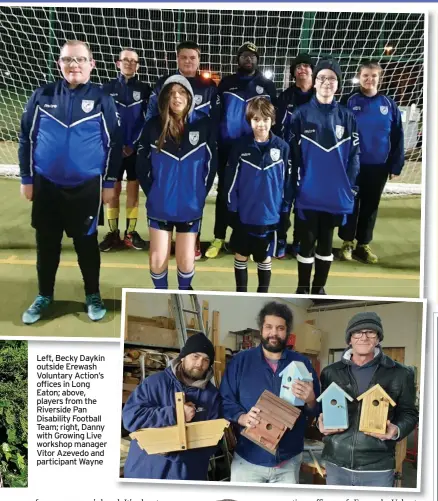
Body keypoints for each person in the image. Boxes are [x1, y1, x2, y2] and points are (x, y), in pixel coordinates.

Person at [18, 40, 122, 324]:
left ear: (92, 64)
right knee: (47, 244)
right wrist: (27, 178)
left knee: (86, 246)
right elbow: (26, 137)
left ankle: (92, 295)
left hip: (87, 187)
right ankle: (44, 296)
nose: (73, 65)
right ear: (59, 64)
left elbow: (114, 144)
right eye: (67, 60)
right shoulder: (42, 95)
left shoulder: (102, 99)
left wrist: (110, 183)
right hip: (46, 185)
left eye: (79, 59)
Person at [220, 301, 320, 483]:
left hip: (288, 463)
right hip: (248, 461)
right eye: (269, 327)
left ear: (287, 331)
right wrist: (242, 417)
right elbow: (225, 401)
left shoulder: (302, 364)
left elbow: (316, 409)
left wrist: (311, 399)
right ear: (261, 329)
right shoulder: (240, 362)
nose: (274, 333)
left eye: (280, 328)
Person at [318, 312, 418, 487]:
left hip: (377, 467)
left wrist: (396, 430)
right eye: (357, 332)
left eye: (370, 332)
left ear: (378, 338)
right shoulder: (330, 372)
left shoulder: (400, 373)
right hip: (336, 463)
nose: (363, 337)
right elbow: (323, 409)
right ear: (349, 339)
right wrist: (318, 422)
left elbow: (410, 413)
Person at [136, 75, 217, 290]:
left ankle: (183, 294)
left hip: (189, 206)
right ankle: (160, 295)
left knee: (186, 260)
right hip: (160, 205)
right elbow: (141, 165)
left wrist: (200, 194)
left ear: (189, 97)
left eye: (181, 93)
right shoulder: (153, 126)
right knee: (157, 259)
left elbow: (212, 164)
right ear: (164, 98)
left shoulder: (204, 124)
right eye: (171, 94)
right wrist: (153, 192)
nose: (176, 97)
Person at [289, 58, 360, 295]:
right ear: (315, 83)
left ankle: (318, 290)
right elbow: (292, 156)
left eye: (332, 78)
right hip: (308, 194)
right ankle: (302, 289)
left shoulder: (347, 117)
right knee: (306, 242)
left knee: (327, 243)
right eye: (322, 78)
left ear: (338, 85)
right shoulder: (300, 114)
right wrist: (294, 186)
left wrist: (349, 187)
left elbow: (354, 156)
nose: (327, 82)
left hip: (334, 196)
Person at [146, 40, 219, 260]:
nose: (188, 61)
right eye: (184, 57)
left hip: (195, 148)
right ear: (177, 59)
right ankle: (164, 239)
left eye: (192, 57)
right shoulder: (163, 84)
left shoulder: (209, 88)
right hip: (166, 149)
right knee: (164, 193)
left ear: (198, 60)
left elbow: (214, 120)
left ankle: (192, 241)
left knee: (194, 194)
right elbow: (151, 116)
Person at [206, 42, 277, 259]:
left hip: (255, 149)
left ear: (257, 60)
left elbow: (274, 119)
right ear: (238, 59)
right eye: (244, 56)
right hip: (228, 149)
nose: (249, 59)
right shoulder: (226, 83)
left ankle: (243, 238)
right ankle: (219, 236)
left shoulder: (267, 86)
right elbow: (217, 115)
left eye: (252, 56)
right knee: (225, 193)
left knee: (251, 193)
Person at [123, 333, 222, 480]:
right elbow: (131, 418)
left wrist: (175, 451)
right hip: (145, 473)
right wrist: (175, 414)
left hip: (186, 477)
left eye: (206, 360)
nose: (200, 363)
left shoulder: (212, 396)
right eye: (195, 356)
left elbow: (215, 442)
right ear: (183, 357)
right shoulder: (154, 383)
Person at [338, 60, 405, 264]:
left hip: (378, 166)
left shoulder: (388, 104)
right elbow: (339, 132)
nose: (369, 79)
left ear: (380, 78)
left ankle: (363, 244)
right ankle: (347, 242)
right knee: (351, 205)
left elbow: (397, 135)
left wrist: (396, 164)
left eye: (374, 75)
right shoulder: (348, 100)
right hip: (353, 166)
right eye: (365, 75)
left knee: (371, 206)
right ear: (360, 76)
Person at [225, 98, 292, 293]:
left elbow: (288, 183)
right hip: (244, 215)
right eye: (255, 119)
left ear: (272, 120)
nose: (260, 124)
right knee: (241, 255)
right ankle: (241, 292)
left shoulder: (282, 148)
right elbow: (231, 182)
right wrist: (232, 209)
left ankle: (262, 293)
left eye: (265, 119)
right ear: (249, 121)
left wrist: (285, 210)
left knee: (264, 257)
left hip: (270, 217)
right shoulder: (240, 147)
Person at [99, 48, 151, 252]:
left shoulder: (145, 89)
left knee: (133, 190)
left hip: (135, 149)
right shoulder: (106, 89)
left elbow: (147, 120)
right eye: (125, 60)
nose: (129, 63)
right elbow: (103, 120)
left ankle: (130, 232)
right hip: (114, 149)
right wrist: (116, 144)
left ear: (137, 65)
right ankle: (113, 233)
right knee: (112, 191)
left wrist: (133, 145)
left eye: (134, 61)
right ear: (117, 63)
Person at [275, 53, 315, 259]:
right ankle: (281, 239)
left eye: (306, 66)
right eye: (298, 66)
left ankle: (300, 240)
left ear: (312, 71)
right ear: (293, 73)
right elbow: (276, 128)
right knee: (284, 202)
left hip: (312, 162)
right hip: (288, 161)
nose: (302, 69)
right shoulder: (284, 97)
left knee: (305, 203)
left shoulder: (320, 98)